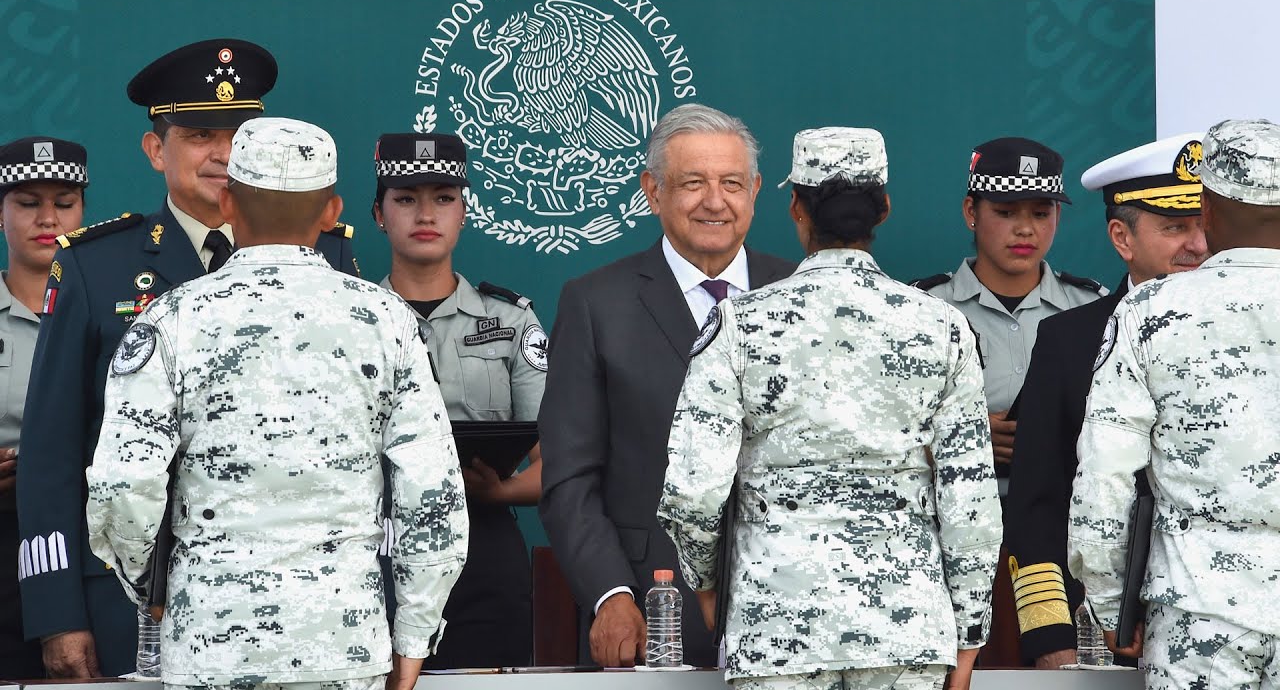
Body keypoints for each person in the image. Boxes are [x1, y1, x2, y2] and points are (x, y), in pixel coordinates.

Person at [15, 38, 359, 679]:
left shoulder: (327, 254)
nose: (224, 154)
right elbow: (51, 450)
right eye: (201, 135)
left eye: (239, 135)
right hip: (136, 597)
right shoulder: (94, 266)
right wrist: (58, 613)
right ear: (156, 149)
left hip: (304, 595)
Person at [84, 116, 467, 690]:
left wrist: (151, 588)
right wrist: (413, 637)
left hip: (211, 644)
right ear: (332, 212)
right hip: (344, 645)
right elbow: (432, 492)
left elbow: (122, 483)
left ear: (228, 203)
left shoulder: (171, 318)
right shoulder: (385, 320)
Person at [658, 127, 1002, 690]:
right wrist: (968, 635)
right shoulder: (941, 326)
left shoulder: (739, 325)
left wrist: (708, 586)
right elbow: (971, 503)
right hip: (906, 632)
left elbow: (693, 490)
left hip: (777, 626)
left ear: (796, 207)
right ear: (883, 208)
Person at [538, 102, 795, 668]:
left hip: (794, 608)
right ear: (653, 192)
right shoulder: (595, 303)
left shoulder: (800, 294)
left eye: (732, 183)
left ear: (755, 192)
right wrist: (610, 594)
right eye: (693, 183)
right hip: (651, 611)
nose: (715, 201)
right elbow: (569, 478)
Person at [1069, 118, 1280, 689]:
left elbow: (1105, 477)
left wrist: (1112, 606)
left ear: (1206, 210)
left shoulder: (1150, 311)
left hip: (1198, 614)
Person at [1004, 134, 1207, 669]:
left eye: (1205, 225)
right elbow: (1038, 501)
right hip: (1103, 627)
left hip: (1229, 621)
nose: (1197, 245)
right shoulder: (1068, 340)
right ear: (1122, 237)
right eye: (1175, 227)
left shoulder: (1253, 331)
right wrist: (1050, 635)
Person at [372, 131, 545, 668]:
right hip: (373, 550)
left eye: (444, 198)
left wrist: (499, 491)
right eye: (406, 198)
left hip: (483, 546)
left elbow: (559, 461)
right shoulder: (354, 322)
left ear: (464, 212)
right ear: (378, 214)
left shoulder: (511, 320)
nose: (426, 214)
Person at [912, 137, 1105, 477]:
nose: (1025, 229)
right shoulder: (922, 309)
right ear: (971, 212)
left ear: (1058, 216)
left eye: (1041, 213)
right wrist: (959, 435)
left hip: (1065, 505)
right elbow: (883, 428)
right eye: (1005, 212)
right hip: (955, 504)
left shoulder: (1093, 307)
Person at [0, 137, 88, 679]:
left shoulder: (120, 311)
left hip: (91, 541)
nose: (48, 218)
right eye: (28, 203)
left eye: (65, 202)